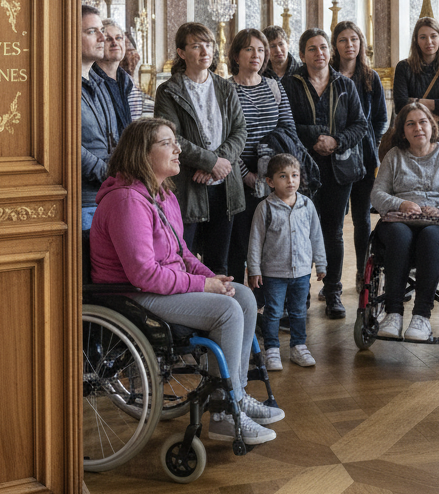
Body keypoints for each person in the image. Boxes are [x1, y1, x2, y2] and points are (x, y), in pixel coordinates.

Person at [89, 118, 283, 445]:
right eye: (167, 143)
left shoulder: (162, 193)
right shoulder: (126, 201)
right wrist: (203, 287)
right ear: (142, 154)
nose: (178, 149)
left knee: (244, 297)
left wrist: (213, 279)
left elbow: (183, 253)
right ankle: (224, 413)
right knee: (227, 311)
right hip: (132, 294)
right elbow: (144, 274)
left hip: (157, 286)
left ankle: (234, 392)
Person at [372, 103, 439, 342]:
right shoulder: (394, 156)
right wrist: (401, 204)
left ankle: (421, 317)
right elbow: (377, 194)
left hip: (438, 225)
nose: (417, 128)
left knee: (429, 237)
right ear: (402, 130)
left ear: (432, 126)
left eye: (423, 122)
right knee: (399, 235)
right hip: (400, 221)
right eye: (410, 123)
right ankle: (393, 313)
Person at [283, 27, 368, 319]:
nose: (319, 53)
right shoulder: (290, 84)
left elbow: (360, 125)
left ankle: (333, 292)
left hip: (338, 168)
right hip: (301, 170)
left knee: (333, 232)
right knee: (302, 233)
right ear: (302, 54)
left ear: (329, 52)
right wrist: (316, 137)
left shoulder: (345, 84)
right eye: (311, 49)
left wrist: (336, 141)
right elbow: (286, 125)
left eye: (322, 48)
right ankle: (300, 295)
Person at [154, 23, 247, 271]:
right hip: (188, 187)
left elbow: (240, 131)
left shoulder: (226, 87)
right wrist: (210, 162)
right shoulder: (169, 90)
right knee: (185, 260)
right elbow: (172, 137)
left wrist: (218, 164)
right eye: (196, 46)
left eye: (209, 44)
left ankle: (223, 309)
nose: (205, 51)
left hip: (225, 186)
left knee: (220, 262)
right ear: (182, 53)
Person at [227, 27, 299, 294]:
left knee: (273, 243)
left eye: (260, 50)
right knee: (242, 244)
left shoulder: (274, 86)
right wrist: (247, 173)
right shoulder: (226, 88)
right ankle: (241, 301)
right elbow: (225, 139)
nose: (255, 55)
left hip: (273, 179)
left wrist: (272, 174)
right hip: (238, 179)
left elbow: (288, 129)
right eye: (248, 49)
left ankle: (272, 303)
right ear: (236, 55)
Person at [248, 153, 326, 371]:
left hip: (301, 272)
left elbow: (316, 236)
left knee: (299, 311)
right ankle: (271, 349)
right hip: (274, 273)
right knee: (273, 312)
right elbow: (255, 241)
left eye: (295, 175)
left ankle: (298, 346)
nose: (290, 181)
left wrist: (321, 264)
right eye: (283, 176)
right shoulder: (265, 208)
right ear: (270, 182)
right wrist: (254, 269)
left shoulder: (307, 205)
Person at [332, 19, 387, 288]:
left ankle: (363, 275)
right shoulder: (327, 73)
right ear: (335, 45)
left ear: (360, 43)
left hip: (363, 157)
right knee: (334, 223)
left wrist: (369, 142)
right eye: (343, 40)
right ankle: (334, 279)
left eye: (353, 39)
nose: (349, 45)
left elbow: (380, 118)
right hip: (333, 158)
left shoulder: (370, 76)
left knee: (362, 219)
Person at [393, 17, 439, 155]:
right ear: (416, 41)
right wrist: (438, 105)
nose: (429, 42)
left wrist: (415, 102)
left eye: (433, 36)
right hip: (414, 135)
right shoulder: (404, 67)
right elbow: (401, 104)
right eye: (423, 37)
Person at [81, 5, 118, 232]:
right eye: (92, 31)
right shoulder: (59, 83)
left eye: (101, 29)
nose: (103, 37)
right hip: (83, 198)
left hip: (108, 193)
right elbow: (64, 145)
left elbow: (112, 138)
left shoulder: (101, 81)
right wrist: (106, 172)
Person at [94, 19, 137, 135]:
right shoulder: (89, 81)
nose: (114, 42)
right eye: (108, 39)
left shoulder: (128, 82)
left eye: (118, 38)